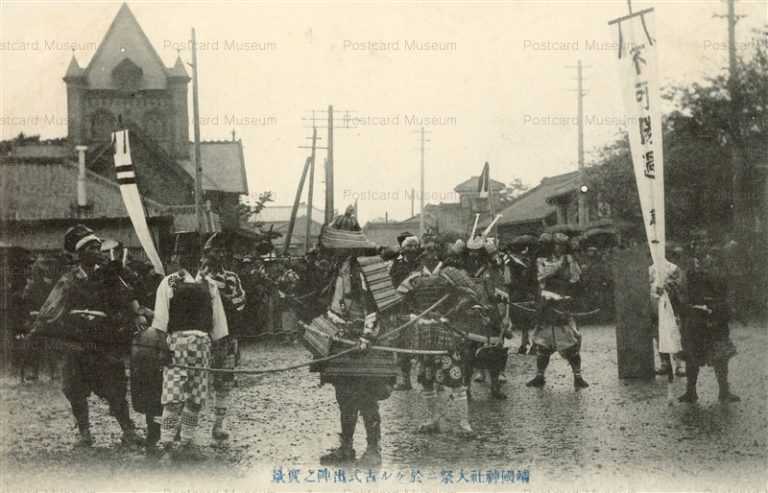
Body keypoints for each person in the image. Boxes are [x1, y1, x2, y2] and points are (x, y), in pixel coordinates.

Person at [30, 224, 144, 447]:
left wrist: (136, 311)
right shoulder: (69, 279)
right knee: (74, 388)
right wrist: (38, 330)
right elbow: (52, 307)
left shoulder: (109, 276)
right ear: (80, 253)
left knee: (115, 386)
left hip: (103, 340)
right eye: (91, 248)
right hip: (76, 341)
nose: (97, 252)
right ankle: (84, 433)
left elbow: (129, 295)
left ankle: (128, 431)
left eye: (98, 248)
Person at [152, 236, 229, 461]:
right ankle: (166, 442)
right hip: (177, 346)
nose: (191, 258)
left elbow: (218, 320)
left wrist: (219, 348)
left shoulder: (208, 283)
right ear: (179, 256)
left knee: (195, 399)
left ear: (201, 256)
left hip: (203, 347)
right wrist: (162, 347)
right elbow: (160, 317)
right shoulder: (172, 281)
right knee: (173, 399)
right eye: (185, 253)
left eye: (195, 253)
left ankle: (186, 440)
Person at [319, 232, 388, 466]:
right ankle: (346, 447)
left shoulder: (365, 268)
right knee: (345, 395)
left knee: (367, 395)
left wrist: (367, 336)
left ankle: (373, 448)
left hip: (365, 340)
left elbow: (375, 307)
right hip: (343, 338)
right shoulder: (342, 266)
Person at [526, 232, 589, 390]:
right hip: (546, 304)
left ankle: (578, 377)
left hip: (563, 303)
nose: (559, 248)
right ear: (552, 246)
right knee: (543, 345)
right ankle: (540, 376)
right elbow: (541, 276)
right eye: (556, 245)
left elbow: (575, 280)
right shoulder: (542, 260)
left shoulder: (570, 260)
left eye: (562, 245)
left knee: (570, 343)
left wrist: (571, 290)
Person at [678, 246, 739, 403]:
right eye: (700, 260)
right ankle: (691, 392)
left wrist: (716, 310)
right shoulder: (689, 275)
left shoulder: (720, 276)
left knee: (720, 357)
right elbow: (683, 297)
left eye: (709, 258)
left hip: (715, 320)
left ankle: (724, 392)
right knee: (692, 357)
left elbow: (726, 297)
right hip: (696, 321)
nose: (704, 262)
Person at [201, 232, 246, 441]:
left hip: (226, 337)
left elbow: (241, 304)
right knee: (195, 381)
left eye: (222, 251)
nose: (218, 255)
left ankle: (218, 424)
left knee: (224, 382)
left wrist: (227, 299)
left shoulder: (232, 277)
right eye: (214, 251)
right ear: (206, 253)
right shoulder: (198, 277)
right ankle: (184, 428)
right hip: (201, 336)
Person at [389, 234, 422, 391]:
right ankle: (406, 379)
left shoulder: (421, 264)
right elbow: (393, 285)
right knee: (402, 344)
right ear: (404, 250)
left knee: (426, 343)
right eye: (409, 248)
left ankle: (431, 380)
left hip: (422, 306)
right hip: (402, 307)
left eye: (415, 248)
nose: (412, 251)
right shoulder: (397, 265)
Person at [649, 245, 686, 377]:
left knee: (674, 334)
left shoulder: (673, 268)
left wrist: (666, 288)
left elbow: (680, 286)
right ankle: (664, 363)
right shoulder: (650, 269)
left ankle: (679, 365)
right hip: (655, 307)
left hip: (671, 307)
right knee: (658, 335)